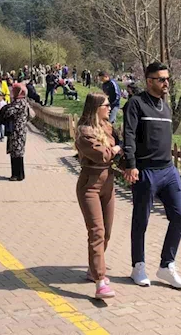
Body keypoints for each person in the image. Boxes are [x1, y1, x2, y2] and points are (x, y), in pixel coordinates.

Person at [122, 61, 181, 289]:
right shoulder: (136, 104)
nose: (166, 82)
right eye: (161, 79)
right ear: (149, 81)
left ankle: (166, 266)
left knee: (179, 216)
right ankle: (138, 266)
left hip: (168, 170)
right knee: (141, 220)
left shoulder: (165, 106)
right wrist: (131, 164)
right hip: (145, 170)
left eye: (167, 79)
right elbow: (128, 135)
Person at [76, 92, 122, 299]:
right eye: (106, 105)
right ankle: (100, 281)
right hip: (90, 184)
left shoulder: (107, 127)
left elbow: (115, 149)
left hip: (108, 182)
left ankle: (93, 269)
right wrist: (117, 148)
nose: (110, 107)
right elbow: (102, 154)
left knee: (107, 232)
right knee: (96, 231)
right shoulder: (84, 131)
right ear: (96, 107)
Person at [0, 83, 29, 181]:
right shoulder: (19, 101)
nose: (12, 92)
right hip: (17, 131)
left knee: (17, 153)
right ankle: (17, 174)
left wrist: (5, 108)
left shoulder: (20, 102)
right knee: (15, 152)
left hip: (18, 131)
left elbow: (9, 112)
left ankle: (17, 175)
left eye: (14, 90)